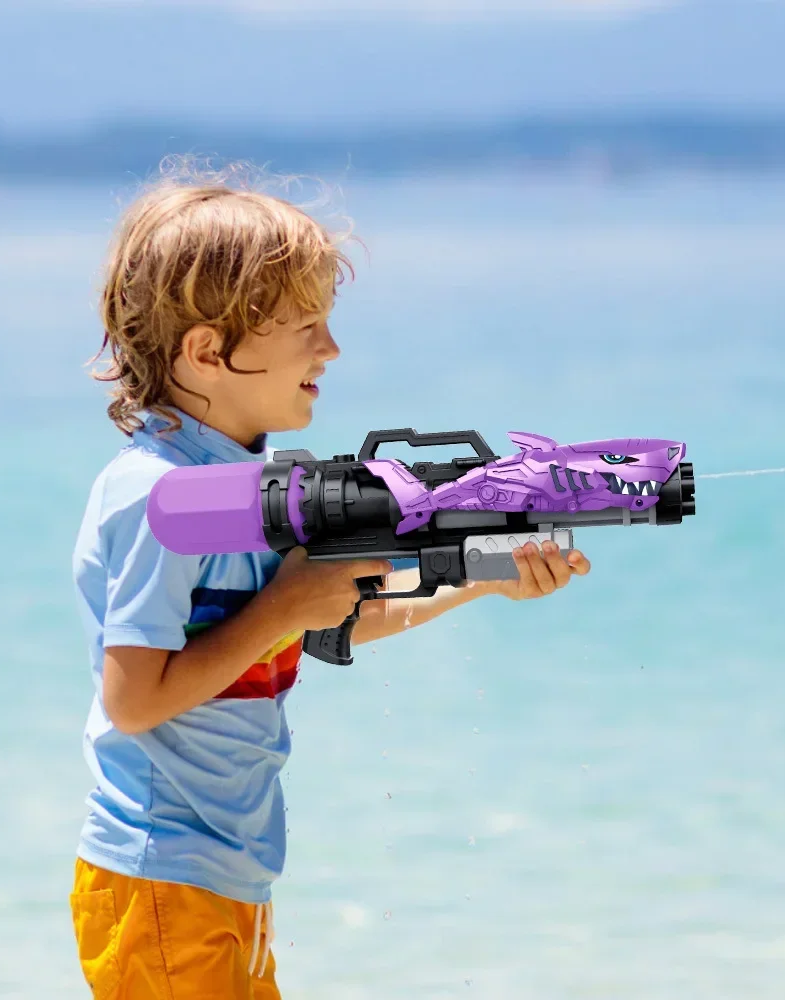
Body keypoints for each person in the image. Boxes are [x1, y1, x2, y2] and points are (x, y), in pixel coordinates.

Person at [69, 163, 591, 1000]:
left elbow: (327, 617)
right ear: (207, 351)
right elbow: (133, 700)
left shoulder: (254, 483)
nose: (332, 348)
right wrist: (283, 603)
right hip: (161, 878)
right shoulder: (161, 497)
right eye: (306, 325)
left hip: (227, 874)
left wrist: (484, 578)